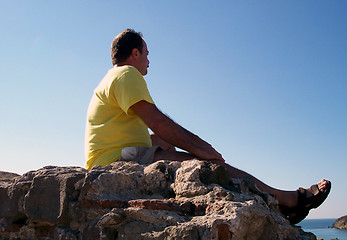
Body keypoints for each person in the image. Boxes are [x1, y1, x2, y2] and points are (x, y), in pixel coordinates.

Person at [84, 29, 331, 224]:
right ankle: (287, 200)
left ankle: (279, 199)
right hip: (117, 161)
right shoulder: (127, 74)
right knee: (210, 167)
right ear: (135, 53)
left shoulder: (111, 78)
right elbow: (158, 121)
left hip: (116, 153)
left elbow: (158, 129)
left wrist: (198, 144)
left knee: (170, 143)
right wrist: (202, 151)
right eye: (147, 53)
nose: (149, 59)